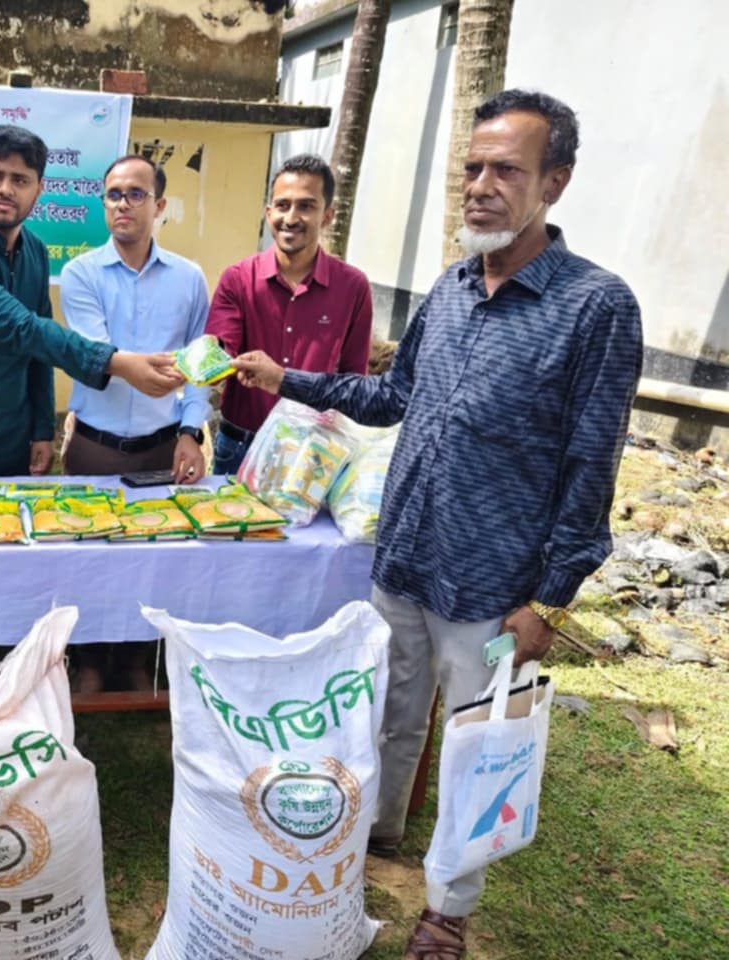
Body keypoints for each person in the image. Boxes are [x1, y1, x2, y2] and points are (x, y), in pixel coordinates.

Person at [231, 90, 643, 959]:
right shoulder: (451, 288)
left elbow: (590, 465)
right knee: (387, 715)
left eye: (506, 171)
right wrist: (286, 379)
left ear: (555, 183)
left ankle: (448, 907)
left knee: (478, 748)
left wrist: (551, 598)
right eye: (472, 169)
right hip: (404, 558)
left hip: (492, 584)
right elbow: (394, 397)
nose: (481, 187)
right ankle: (373, 839)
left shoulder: (596, 307)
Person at [0, 124, 183, 699]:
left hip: (5, 428)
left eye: (20, 179)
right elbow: (20, 327)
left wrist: (39, 428)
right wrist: (116, 362)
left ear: (39, 189)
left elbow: (34, 350)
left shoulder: (33, 252)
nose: (6, 189)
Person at [59, 153, 210, 692]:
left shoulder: (189, 279)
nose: (123, 203)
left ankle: (136, 661)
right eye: (114, 194)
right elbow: (100, 354)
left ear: (159, 205)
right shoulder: (79, 274)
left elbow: (199, 365)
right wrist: (147, 369)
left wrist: (191, 431)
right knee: (88, 558)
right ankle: (89, 661)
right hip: (94, 448)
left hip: (160, 450)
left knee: (152, 561)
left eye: (136, 193)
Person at [205, 153, 372, 475]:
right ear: (269, 212)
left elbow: (354, 381)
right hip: (240, 447)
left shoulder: (353, 287)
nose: (291, 218)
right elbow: (220, 353)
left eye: (306, 206)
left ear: (327, 216)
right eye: (283, 205)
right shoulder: (238, 279)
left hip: (313, 453)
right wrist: (210, 360)